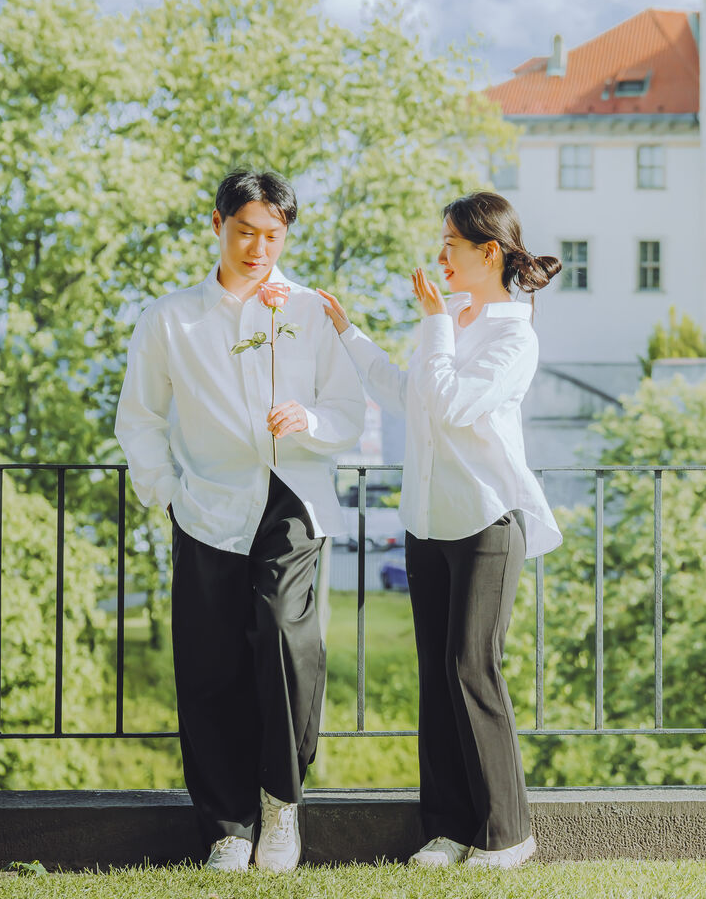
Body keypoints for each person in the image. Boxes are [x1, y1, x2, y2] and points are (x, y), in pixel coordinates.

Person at [115, 168, 366, 873]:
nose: (259, 247)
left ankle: (281, 805)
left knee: (289, 642)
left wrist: (308, 419)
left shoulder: (309, 310)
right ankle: (228, 828)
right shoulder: (170, 319)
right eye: (246, 231)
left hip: (293, 495)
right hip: (207, 505)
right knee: (210, 664)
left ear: (287, 234)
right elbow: (138, 418)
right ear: (217, 223)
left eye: (273, 235)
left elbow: (347, 414)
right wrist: (164, 492)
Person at [317, 190, 562, 870]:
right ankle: (450, 829)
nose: (439, 257)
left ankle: (507, 833)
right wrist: (348, 332)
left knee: (470, 668)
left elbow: (450, 404)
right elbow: (406, 393)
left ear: (489, 252)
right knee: (438, 678)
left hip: (487, 522)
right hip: (429, 523)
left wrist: (434, 323)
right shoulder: (452, 317)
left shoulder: (513, 334)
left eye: (450, 244)